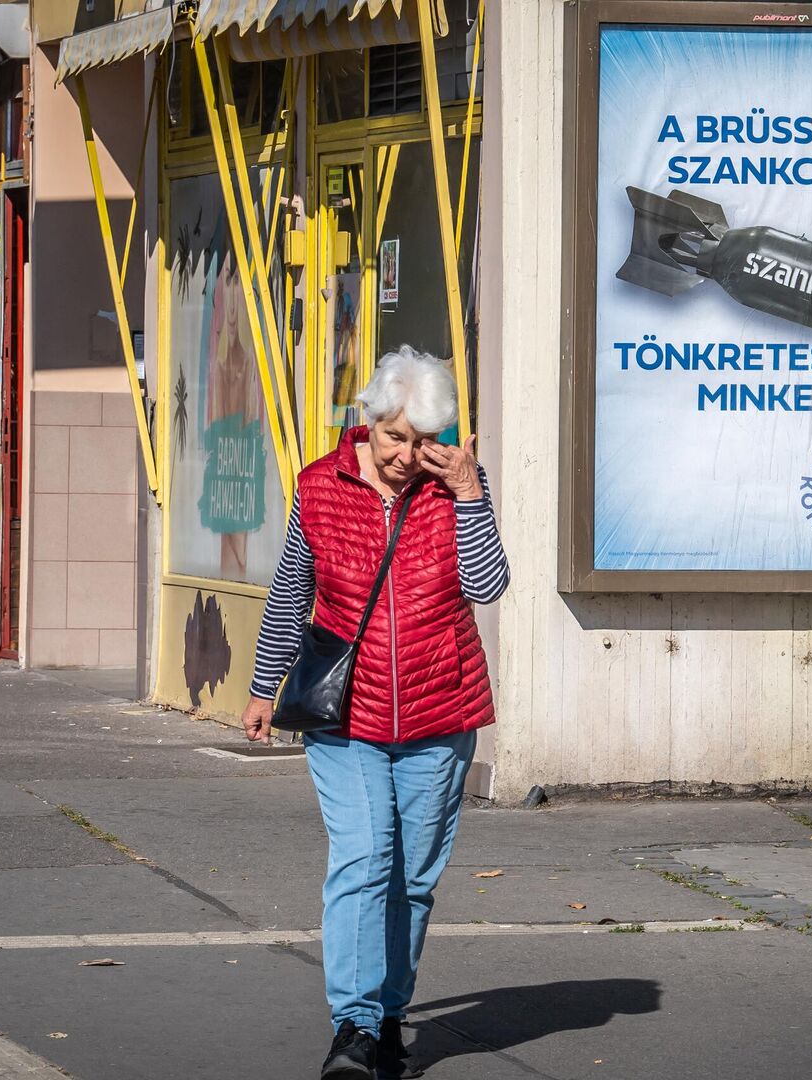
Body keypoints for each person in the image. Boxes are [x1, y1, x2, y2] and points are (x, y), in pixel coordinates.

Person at [242, 347, 510, 1080]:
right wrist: (264, 688)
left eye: (423, 441)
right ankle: (354, 1027)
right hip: (345, 716)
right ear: (368, 425)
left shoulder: (456, 486)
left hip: (441, 711)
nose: (406, 456)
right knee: (364, 861)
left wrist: (470, 495)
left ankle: (392, 1009)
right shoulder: (320, 488)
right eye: (395, 438)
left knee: (414, 878)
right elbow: (291, 594)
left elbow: (488, 586)